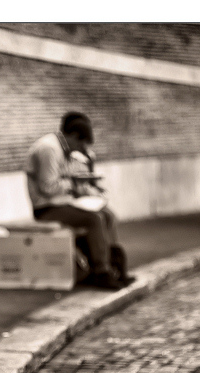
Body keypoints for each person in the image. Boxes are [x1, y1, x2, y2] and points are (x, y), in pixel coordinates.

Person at [25, 112, 132, 290]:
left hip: (63, 202)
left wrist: (86, 186)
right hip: (46, 207)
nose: (81, 148)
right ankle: (101, 271)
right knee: (93, 219)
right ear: (73, 136)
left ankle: (115, 266)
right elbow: (48, 188)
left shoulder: (64, 149)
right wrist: (74, 184)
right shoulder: (49, 149)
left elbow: (67, 181)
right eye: (81, 143)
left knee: (107, 214)